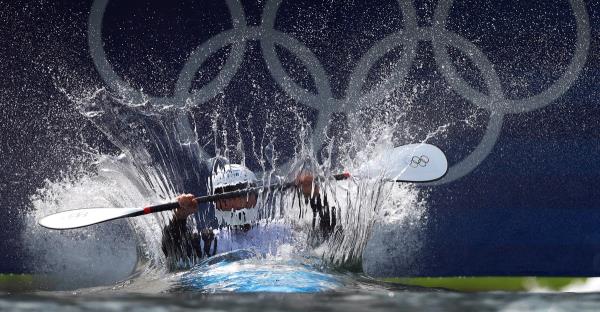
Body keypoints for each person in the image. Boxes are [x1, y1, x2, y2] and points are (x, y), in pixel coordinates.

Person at [161, 161, 336, 268]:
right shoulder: (209, 242)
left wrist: (315, 197)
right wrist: (180, 217)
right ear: (217, 203)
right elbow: (172, 252)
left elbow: (329, 236)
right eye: (227, 193)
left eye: (242, 192)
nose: (237, 201)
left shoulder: (283, 229)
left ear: (255, 196)